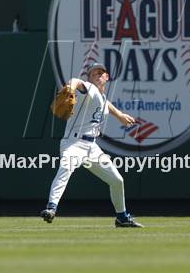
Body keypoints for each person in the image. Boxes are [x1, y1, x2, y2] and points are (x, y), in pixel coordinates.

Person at [40, 62, 143, 228]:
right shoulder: (89, 88)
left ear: (106, 77)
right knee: (65, 170)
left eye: (100, 73)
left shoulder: (100, 96)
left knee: (117, 180)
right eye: (93, 73)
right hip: (74, 143)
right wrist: (71, 89)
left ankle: (122, 217)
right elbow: (75, 81)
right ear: (89, 78)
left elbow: (106, 104)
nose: (97, 75)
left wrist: (120, 115)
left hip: (92, 148)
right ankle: (51, 208)